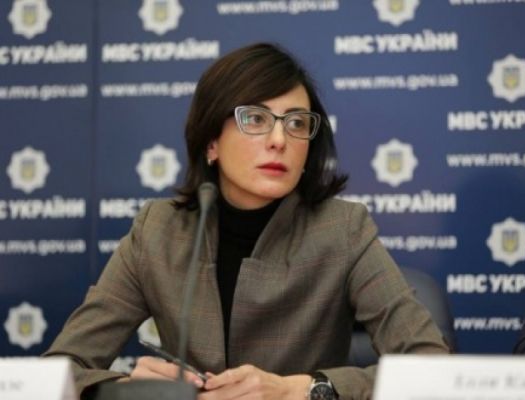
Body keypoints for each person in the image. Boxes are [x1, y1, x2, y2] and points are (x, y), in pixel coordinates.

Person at [44, 42, 449, 400]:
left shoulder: (343, 229)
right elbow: (61, 369)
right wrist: (125, 390)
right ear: (211, 142)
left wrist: (303, 389)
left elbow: (431, 367)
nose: (279, 140)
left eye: (296, 123)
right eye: (255, 119)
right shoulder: (158, 231)